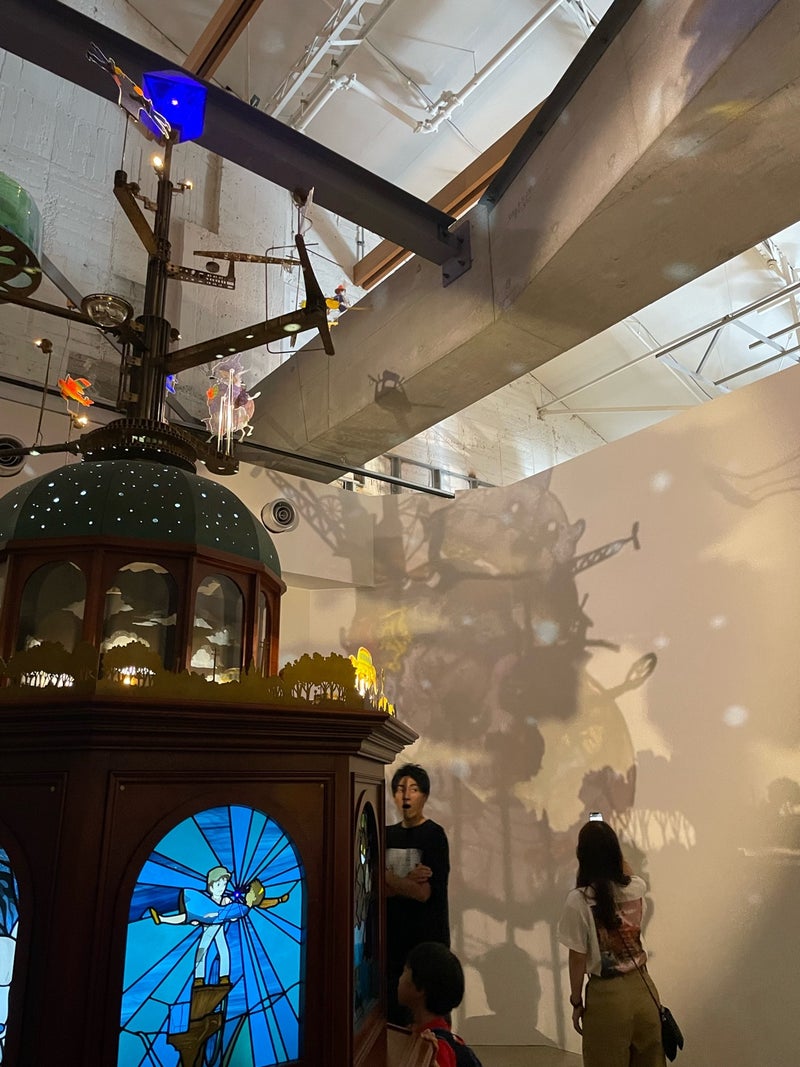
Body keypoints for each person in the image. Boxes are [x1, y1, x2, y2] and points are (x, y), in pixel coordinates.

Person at [557, 821, 665, 1067]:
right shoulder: (636, 888)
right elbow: (626, 871)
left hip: (607, 999)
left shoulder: (579, 900)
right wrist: (611, 851)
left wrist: (576, 1002)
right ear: (616, 853)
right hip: (644, 990)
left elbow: (577, 958)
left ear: (582, 856)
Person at [385, 763, 450, 1025]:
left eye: (413, 789)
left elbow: (423, 893)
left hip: (427, 943)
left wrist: (388, 877)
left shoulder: (434, 835)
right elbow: (373, 891)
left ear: (425, 795)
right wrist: (407, 881)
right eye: (400, 789)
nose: (406, 795)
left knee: (430, 1021)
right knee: (394, 1021)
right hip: (391, 944)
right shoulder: (386, 835)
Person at [150, 866, 289, 986]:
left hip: (216, 925)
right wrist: (200, 919)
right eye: (218, 885)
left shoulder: (228, 901)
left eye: (224, 884)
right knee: (210, 943)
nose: (222, 888)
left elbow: (232, 913)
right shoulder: (207, 900)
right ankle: (211, 978)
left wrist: (278, 900)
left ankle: (211, 978)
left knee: (209, 949)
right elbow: (205, 912)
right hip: (210, 925)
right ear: (210, 886)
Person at [397, 942, 482, 1067]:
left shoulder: (436, 1047)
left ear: (420, 989)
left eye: (404, 971)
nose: (399, 979)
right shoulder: (445, 1037)